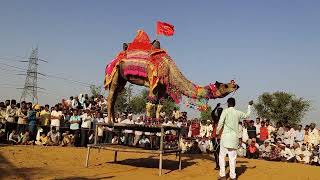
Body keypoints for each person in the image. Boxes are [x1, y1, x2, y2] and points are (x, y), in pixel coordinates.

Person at [216, 98, 252, 180]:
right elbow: (247, 115)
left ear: (228, 103)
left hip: (225, 137)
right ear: (234, 104)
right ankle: (233, 176)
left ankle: (223, 175)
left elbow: (221, 122)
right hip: (233, 138)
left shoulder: (225, 111)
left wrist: (217, 133)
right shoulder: (237, 112)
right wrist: (249, 106)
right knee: (232, 158)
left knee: (221, 156)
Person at [211, 103, 223, 170]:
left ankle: (219, 165)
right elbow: (212, 113)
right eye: (218, 110)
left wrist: (216, 106)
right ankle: (218, 165)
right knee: (216, 151)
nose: (219, 112)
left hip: (220, 137)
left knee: (219, 152)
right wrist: (216, 106)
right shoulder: (216, 118)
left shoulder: (223, 119)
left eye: (220, 110)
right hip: (214, 137)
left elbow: (212, 113)